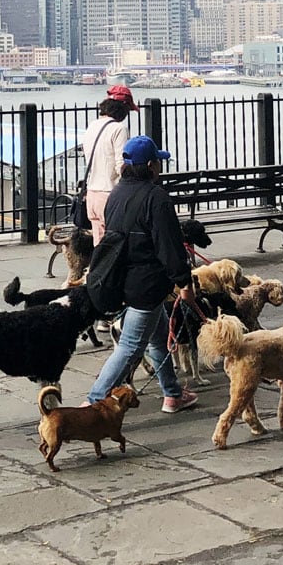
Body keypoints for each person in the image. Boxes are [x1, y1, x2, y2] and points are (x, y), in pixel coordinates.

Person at [85, 134, 199, 414]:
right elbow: (168, 245)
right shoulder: (156, 197)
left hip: (125, 279)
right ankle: (92, 401)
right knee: (130, 347)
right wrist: (184, 281)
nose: (160, 168)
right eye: (158, 163)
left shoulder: (117, 194)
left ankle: (172, 394)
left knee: (159, 338)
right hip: (146, 285)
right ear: (150, 165)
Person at [81, 85, 137, 244]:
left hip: (92, 194)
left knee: (100, 247)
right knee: (118, 246)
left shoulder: (92, 126)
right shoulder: (118, 129)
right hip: (111, 194)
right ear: (123, 108)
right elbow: (122, 164)